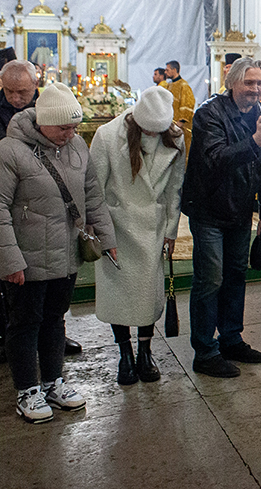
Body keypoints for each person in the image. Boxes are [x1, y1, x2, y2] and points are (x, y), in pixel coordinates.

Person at [0, 83, 116, 423]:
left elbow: (93, 196)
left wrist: (107, 239)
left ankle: (53, 382)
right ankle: (26, 391)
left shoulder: (77, 145)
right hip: (26, 259)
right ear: (44, 122)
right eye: (64, 127)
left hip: (65, 255)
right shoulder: (10, 151)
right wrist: (9, 261)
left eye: (74, 127)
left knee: (54, 320)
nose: (71, 133)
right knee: (24, 324)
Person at [181, 57, 261, 378]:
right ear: (232, 83)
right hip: (209, 209)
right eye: (249, 83)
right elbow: (216, 159)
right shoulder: (208, 114)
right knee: (210, 279)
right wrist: (257, 139)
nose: (255, 89)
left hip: (240, 211)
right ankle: (205, 350)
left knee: (236, 275)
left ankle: (231, 338)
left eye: (260, 83)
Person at [90, 87, 186, 385]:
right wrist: (104, 235)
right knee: (119, 295)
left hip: (152, 229)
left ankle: (145, 352)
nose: (153, 135)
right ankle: (125, 354)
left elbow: (175, 189)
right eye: (147, 130)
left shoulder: (176, 137)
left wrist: (171, 230)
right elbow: (94, 191)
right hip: (117, 229)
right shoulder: (107, 136)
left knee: (147, 294)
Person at [1, 61, 83, 359]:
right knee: (20, 308)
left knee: (50, 308)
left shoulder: (51, 111)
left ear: (35, 86)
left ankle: (51, 354)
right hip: (13, 214)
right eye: (9, 91)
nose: (15, 98)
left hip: (48, 223)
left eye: (22, 91)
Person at [164, 60, 195, 152]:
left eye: (167, 70)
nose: (165, 72)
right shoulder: (169, 86)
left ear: (174, 70)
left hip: (180, 125)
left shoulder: (183, 85)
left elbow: (188, 103)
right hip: (170, 124)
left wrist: (182, 120)